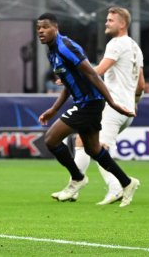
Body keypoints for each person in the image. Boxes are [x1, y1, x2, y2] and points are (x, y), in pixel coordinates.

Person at [36, 12, 140, 207]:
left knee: (51, 139)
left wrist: (112, 102)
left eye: (45, 27)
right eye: (38, 28)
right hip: (85, 103)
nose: (41, 31)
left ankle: (77, 178)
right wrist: (53, 109)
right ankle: (127, 183)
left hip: (90, 103)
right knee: (93, 149)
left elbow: (92, 74)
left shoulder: (65, 47)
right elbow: (69, 83)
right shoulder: (51, 51)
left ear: (55, 28)